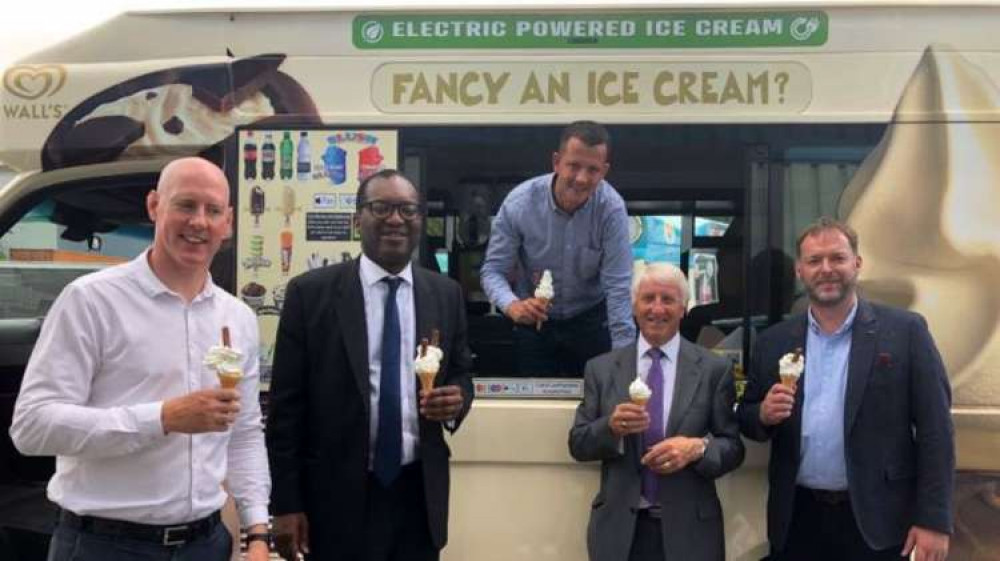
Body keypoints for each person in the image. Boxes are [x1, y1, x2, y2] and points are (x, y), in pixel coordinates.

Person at [10, 157, 271, 561]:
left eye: (213, 210)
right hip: (103, 546)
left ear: (229, 221)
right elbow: (32, 427)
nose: (199, 222)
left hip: (205, 545)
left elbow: (245, 433)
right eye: (186, 205)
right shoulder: (91, 301)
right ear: (154, 206)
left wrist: (257, 533)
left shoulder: (237, 317)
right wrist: (163, 418)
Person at [266, 169, 474, 561]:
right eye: (381, 208)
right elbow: (285, 412)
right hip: (335, 497)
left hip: (418, 495)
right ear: (357, 219)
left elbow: (462, 371)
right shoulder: (310, 295)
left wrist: (458, 398)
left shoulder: (445, 294)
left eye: (407, 210)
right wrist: (285, 503)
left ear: (419, 220)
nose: (395, 219)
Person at [737, 217, 954, 561]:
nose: (826, 269)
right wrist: (762, 413)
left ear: (857, 263)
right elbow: (748, 416)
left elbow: (936, 430)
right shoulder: (774, 341)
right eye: (814, 261)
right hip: (798, 517)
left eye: (837, 258)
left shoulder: (905, 332)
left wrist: (934, 520)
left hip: (877, 520)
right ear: (800, 271)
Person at [569, 263, 745, 561]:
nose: (657, 308)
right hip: (620, 531)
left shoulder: (714, 370)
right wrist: (611, 428)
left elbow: (733, 447)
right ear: (634, 306)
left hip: (691, 532)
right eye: (648, 298)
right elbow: (578, 444)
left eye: (668, 299)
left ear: (684, 308)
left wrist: (698, 448)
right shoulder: (601, 369)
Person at [481, 120, 634, 376]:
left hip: (590, 321)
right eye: (573, 166)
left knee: (597, 399)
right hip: (534, 322)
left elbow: (618, 289)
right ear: (556, 162)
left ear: (605, 171)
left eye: (593, 170)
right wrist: (512, 306)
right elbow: (492, 271)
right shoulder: (519, 204)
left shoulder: (612, 209)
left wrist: (625, 363)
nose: (582, 178)